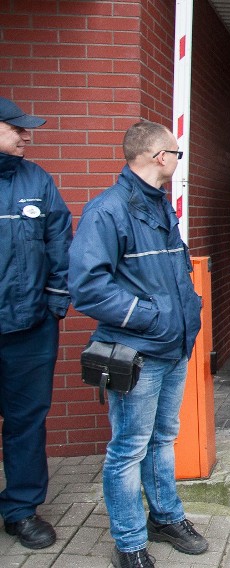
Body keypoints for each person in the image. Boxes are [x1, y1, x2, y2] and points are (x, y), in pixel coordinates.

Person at [69, 120, 209, 567]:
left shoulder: (158, 206)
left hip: (171, 347)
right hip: (139, 352)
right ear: (157, 157)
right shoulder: (108, 210)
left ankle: (165, 517)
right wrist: (151, 318)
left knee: (162, 438)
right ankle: (129, 543)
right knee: (128, 448)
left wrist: (186, 314)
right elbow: (88, 288)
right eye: (176, 152)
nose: (178, 159)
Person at [0, 97, 71, 550]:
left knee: (27, 420)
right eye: (17, 129)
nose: (27, 136)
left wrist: (54, 303)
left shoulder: (36, 180)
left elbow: (60, 241)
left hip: (29, 327)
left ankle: (21, 509)